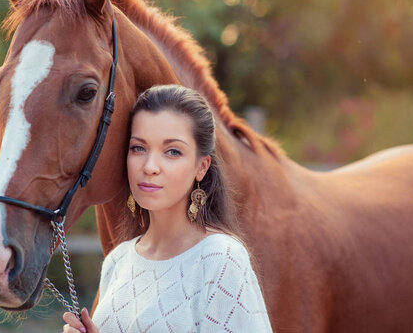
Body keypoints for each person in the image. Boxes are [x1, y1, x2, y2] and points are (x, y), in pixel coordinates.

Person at [63, 85, 272, 332]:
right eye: (138, 148)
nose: (150, 166)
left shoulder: (221, 259)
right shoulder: (118, 261)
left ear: (201, 167)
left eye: (172, 151)